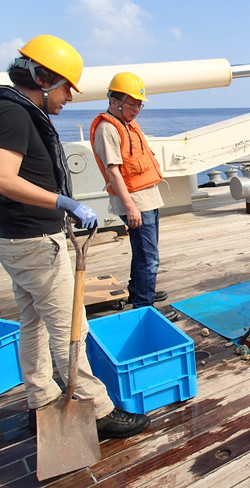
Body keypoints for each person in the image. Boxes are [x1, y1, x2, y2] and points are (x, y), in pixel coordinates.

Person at [0, 35, 150, 438]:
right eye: (66, 86)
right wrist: (63, 202)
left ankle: (40, 395)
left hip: (18, 240)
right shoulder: (14, 114)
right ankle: (97, 410)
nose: (69, 97)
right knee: (71, 325)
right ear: (42, 77)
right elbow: (2, 178)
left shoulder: (14, 109)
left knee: (32, 322)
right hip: (34, 241)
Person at [90, 72, 177, 322]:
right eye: (132, 104)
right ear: (115, 101)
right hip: (136, 202)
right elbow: (113, 171)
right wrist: (130, 208)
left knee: (143, 253)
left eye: (140, 104)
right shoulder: (108, 129)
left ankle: (138, 292)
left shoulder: (126, 124)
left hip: (148, 198)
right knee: (149, 257)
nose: (137, 109)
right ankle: (143, 307)